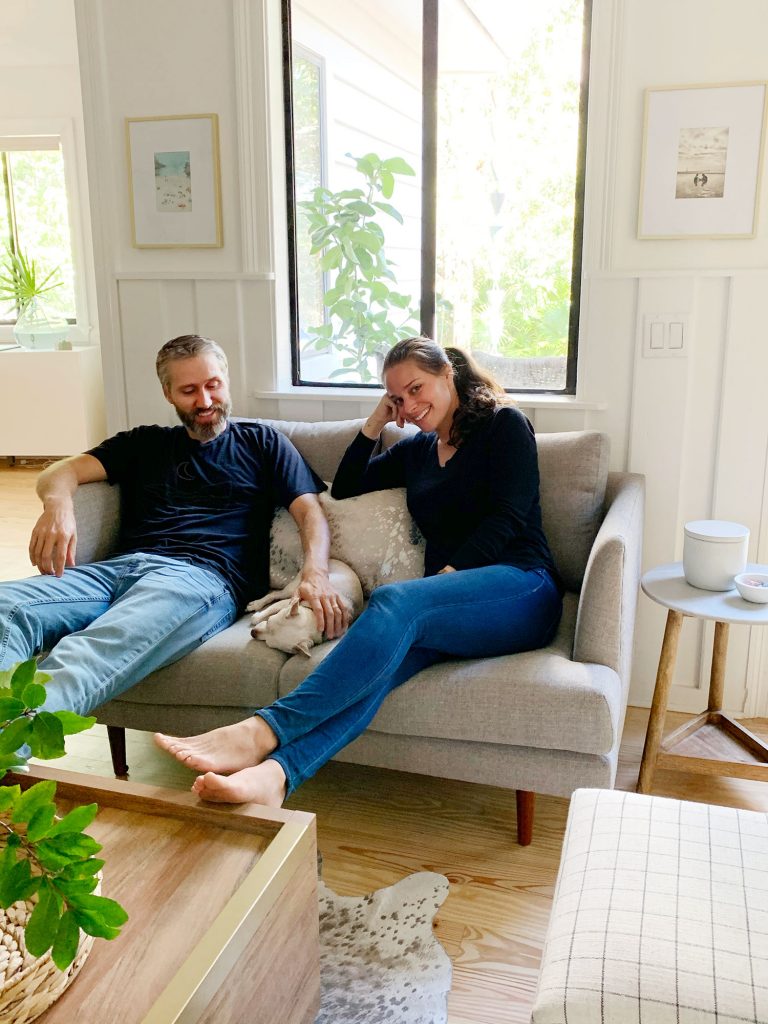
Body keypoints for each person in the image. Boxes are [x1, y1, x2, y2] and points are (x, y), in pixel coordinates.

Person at [156, 337, 563, 807]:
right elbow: (348, 485)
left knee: (395, 601)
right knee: (378, 674)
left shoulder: (504, 425)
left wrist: (444, 578)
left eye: (417, 389)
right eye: (398, 398)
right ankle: (276, 777)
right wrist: (376, 423)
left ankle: (262, 730)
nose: (410, 405)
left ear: (447, 374)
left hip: (522, 587)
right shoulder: (419, 451)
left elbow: (508, 516)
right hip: (445, 608)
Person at [0, 334, 347, 718]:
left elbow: (309, 512)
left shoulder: (262, 443)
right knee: (6, 608)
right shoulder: (143, 443)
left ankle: (11, 741)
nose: (205, 401)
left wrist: (315, 572)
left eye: (213, 385)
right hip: (114, 573)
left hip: (199, 580)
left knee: (90, 651)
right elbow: (60, 471)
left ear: (225, 380)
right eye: (188, 390)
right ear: (168, 393)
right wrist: (58, 504)